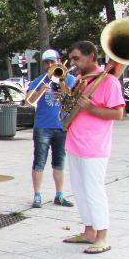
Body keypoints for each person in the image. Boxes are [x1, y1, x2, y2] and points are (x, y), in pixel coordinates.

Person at [62, 40, 125, 255]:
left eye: (77, 58)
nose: (73, 62)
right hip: (75, 143)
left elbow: (117, 113)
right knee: (80, 191)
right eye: (72, 58)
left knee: (94, 191)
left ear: (91, 56)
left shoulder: (108, 81)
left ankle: (102, 236)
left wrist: (91, 108)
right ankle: (89, 231)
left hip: (94, 146)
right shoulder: (81, 79)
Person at [26, 49, 76, 209]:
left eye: (52, 62)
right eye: (46, 62)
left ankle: (59, 194)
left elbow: (72, 99)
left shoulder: (69, 79)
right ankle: (37, 195)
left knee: (59, 162)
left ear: (59, 61)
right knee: (39, 162)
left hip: (61, 126)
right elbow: (29, 101)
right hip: (42, 127)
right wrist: (44, 86)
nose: (49, 65)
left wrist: (61, 81)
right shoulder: (39, 81)